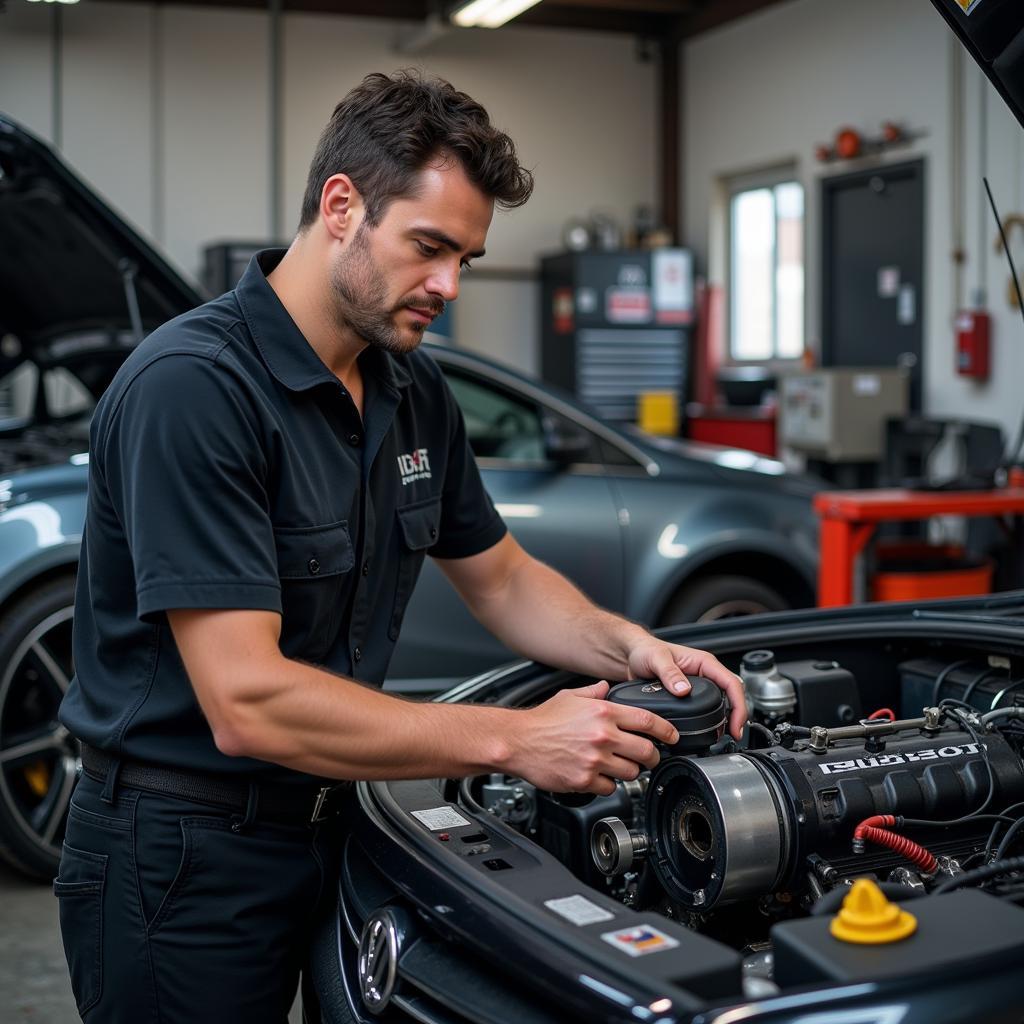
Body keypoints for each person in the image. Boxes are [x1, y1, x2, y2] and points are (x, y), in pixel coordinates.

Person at [55, 70, 746, 1023]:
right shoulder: (194, 388)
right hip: (178, 856)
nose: (449, 287)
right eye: (430, 248)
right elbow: (247, 702)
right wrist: (519, 738)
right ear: (342, 207)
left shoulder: (410, 391)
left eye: (467, 257)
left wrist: (635, 647)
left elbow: (501, 579)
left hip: (341, 829)